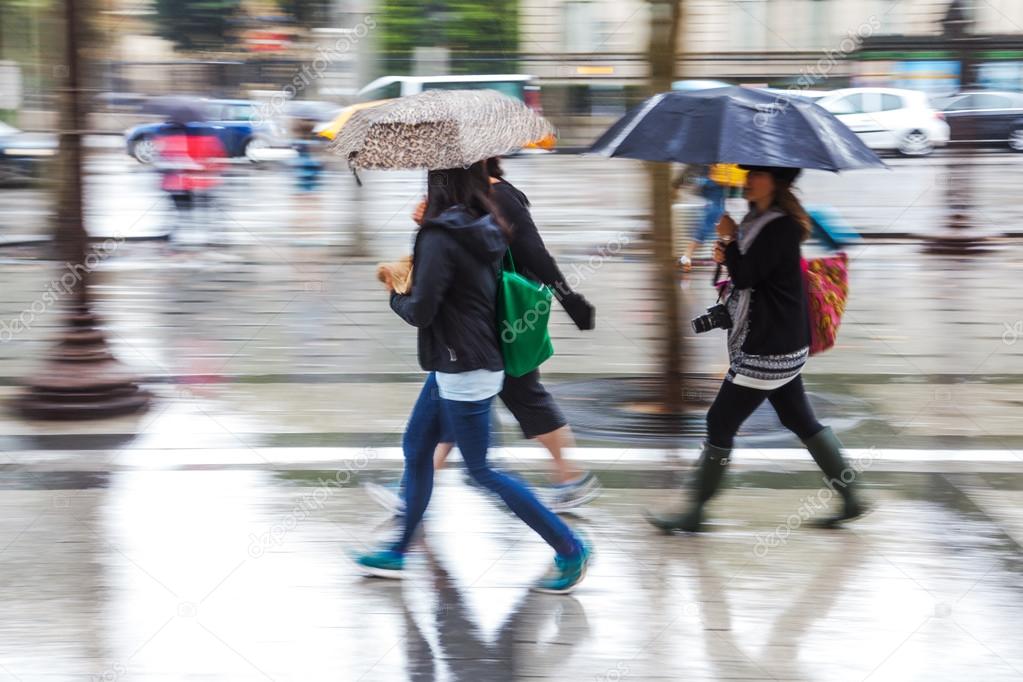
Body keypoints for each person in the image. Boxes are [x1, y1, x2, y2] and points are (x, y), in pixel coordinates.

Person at [352, 161, 592, 594]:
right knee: (417, 447)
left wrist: (394, 292)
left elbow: (423, 310)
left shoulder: (440, 235)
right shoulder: (484, 222)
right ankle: (399, 550)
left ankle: (570, 547)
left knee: (483, 470)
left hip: (461, 363)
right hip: (469, 357)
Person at [647, 165, 869, 532]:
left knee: (720, 420)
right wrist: (729, 249)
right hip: (783, 341)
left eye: (757, 174)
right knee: (800, 419)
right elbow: (749, 273)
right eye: (748, 173)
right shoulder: (760, 218)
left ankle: (694, 512)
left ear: (776, 181)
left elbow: (749, 276)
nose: (748, 179)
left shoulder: (779, 227)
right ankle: (852, 497)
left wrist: (731, 241)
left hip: (768, 347)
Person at [677, 164, 746, 272]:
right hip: (717, 180)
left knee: (720, 215)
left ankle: (689, 254)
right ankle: (688, 254)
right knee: (717, 214)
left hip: (726, 180)